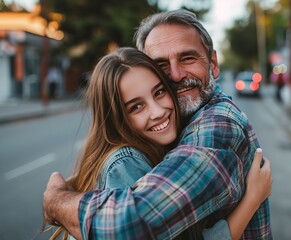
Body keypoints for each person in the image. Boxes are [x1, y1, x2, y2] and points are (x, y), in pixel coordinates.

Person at [43, 9, 272, 239]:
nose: (175, 74)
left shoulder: (219, 126)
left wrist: (57, 202)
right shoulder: (131, 159)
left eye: (187, 58)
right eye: (161, 64)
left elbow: (129, 226)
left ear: (213, 63)